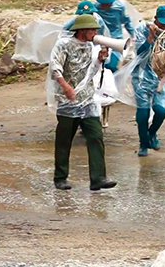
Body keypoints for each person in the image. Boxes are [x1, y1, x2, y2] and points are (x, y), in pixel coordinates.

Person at [49, 14, 117, 191]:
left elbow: (90, 71)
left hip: (87, 100)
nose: (95, 33)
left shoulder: (89, 46)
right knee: (64, 140)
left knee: (95, 137)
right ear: (82, 30)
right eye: (92, 29)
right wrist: (65, 86)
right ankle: (60, 177)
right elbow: (54, 67)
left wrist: (100, 59)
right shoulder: (63, 45)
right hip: (68, 100)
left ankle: (98, 178)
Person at [132, 6, 165, 157]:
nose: (164, 26)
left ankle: (152, 134)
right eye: (161, 23)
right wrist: (150, 38)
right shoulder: (142, 29)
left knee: (161, 111)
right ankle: (143, 143)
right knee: (143, 112)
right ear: (155, 19)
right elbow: (139, 53)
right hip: (141, 76)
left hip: (159, 77)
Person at [95, 0, 135, 71]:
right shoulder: (95, 8)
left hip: (116, 39)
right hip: (100, 39)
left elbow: (126, 22)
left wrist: (133, 35)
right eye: (103, 3)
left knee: (112, 65)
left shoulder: (119, 8)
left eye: (108, 3)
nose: (106, 5)